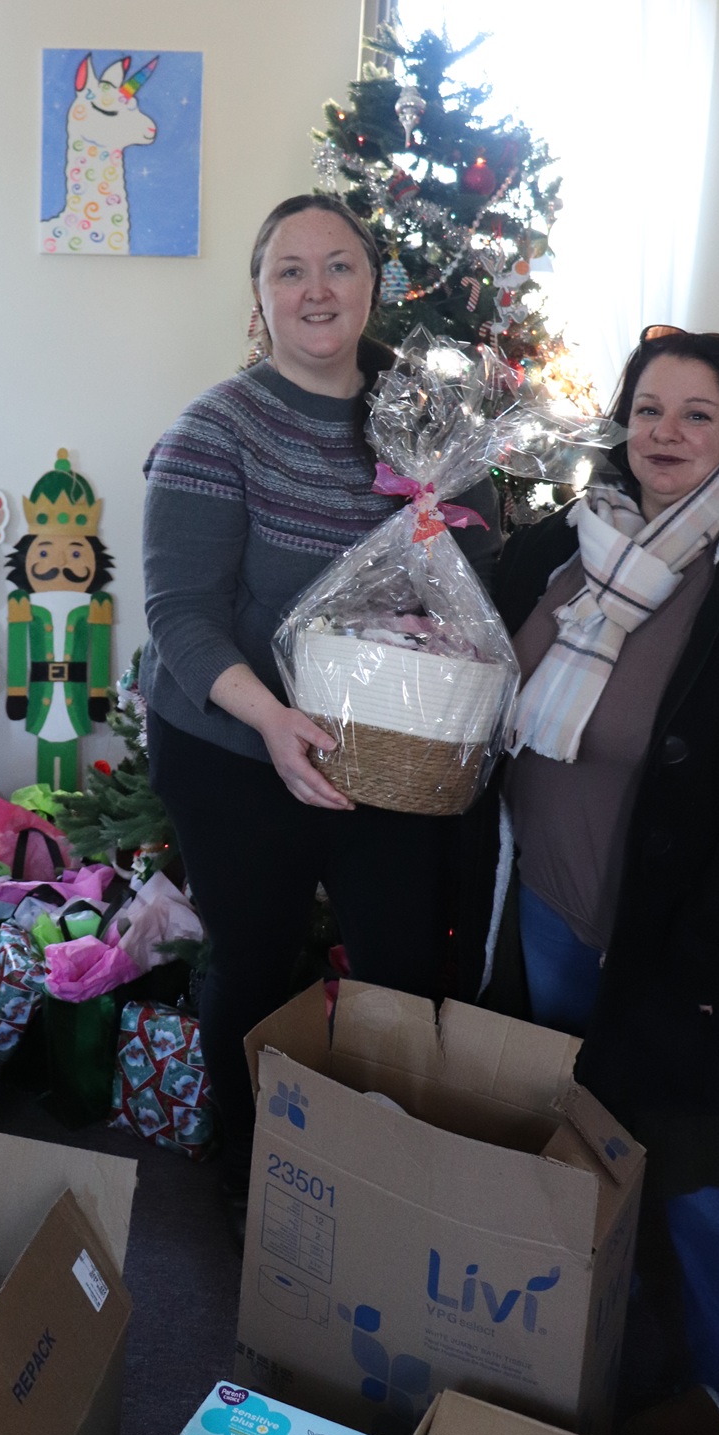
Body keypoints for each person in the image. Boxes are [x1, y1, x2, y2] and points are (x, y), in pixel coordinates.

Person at [139, 193, 501, 1230]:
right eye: (289, 270)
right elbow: (180, 615)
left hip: (383, 750)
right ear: (259, 298)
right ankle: (251, 1177)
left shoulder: (417, 426)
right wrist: (270, 723)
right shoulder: (216, 430)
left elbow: (463, 581)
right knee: (253, 960)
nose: (315, 289)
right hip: (232, 744)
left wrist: (451, 549)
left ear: (373, 285)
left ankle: (379, 1174)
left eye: (337, 266)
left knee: (396, 960)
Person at [490, 325, 719, 1435]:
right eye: (647, 410)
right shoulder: (576, 546)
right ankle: (578, 1336)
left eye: (696, 414)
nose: (664, 434)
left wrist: (712, 959)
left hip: (693, 942)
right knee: (582, 1132)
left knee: (712, 1164)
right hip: (550, 905)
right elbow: (477, 643)